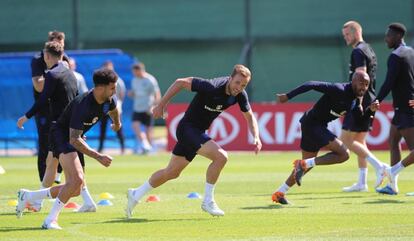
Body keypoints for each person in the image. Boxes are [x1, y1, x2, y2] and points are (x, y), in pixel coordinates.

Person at [125, 64, 262, 218]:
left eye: (243, 85)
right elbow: (180, 82)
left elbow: (249, 116)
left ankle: (136, 194)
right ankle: (208, 201)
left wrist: (256, 136)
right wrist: (161, 105)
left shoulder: (239, 95)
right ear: (230, 78)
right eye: (237, 82)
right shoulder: (211, 86)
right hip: (187, 129)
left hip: (196, 133)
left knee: (171, 172)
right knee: (221, 157)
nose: (239, 87)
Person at [16, 68, 121, 230]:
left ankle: (28, 196)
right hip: (61, 135)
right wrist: (98, 156)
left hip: (74, 137)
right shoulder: (83, 104)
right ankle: (50, 220)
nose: (115, 91)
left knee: (76, 189)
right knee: (77, 179)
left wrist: (117, 123)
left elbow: (114, 111)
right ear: (100, 88)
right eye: (112, 87)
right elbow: (74, 139)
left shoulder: (109, 100)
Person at [271, 71, 389, 205]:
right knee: (344, 154)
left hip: (314, 125)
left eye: (367, 84)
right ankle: (303, 164)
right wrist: (288, 96)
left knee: (305, 166)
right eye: (361, 83)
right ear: (353, 81)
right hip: (312, 124)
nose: (364, 87)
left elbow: (361, 122)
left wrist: (370, 111)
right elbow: (311, 84)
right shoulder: (339, 89)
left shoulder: (355, 102)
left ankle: (279, 193)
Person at [373, 23, 414, 195]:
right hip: (402, 108)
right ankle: (392, 185)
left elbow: (389, 83)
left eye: (389, 35)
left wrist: (377, 100)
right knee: (393, 142)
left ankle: (393, 171)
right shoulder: (411, 51)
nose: (386, 38)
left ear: (398, 37)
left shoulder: (396, 56)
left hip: (407, 108)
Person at [340, 21, 378, 192]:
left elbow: (361, 77)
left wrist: (357, 101)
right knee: (360, 141)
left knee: (346, 140)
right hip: (370, 98)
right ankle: (362, 182)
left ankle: (381, 167)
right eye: (344, 35)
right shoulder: (368, 48)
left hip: (361, 100)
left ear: (356, 32)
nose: (345, 38)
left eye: (347, 34)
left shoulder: (358, 51)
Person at [30, 31, 66, 195]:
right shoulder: (39, 60)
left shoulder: (64, 61)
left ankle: (57, 178)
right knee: (45, 147)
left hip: (62, 109)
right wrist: (54, 74)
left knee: (65, 146)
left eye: (62, 43)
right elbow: (38, 86)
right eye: (56, 42)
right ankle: (42, 188)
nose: (60, 46)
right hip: (44, 109)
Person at [128, 62, 161, 153]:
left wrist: (154, 107)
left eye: (136, 72)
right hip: (137, 108)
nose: (135, 74)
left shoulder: (150, 79)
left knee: (148, 131)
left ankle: (151, 149)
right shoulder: (134, 80)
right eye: (134, 72)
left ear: (141, 70)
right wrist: (131, 93)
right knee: (135, 125)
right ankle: (144, 143)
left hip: (148, 108)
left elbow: (157, 94)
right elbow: (135, 92)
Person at [98, 61, 125, 154]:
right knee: (102, 128)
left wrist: (118, 104)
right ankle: (100, 147)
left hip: (114, 108)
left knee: (118, 127)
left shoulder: (118, 81)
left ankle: (123, 147)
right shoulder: (101, 82)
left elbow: (122, 94)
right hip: (104, 108)